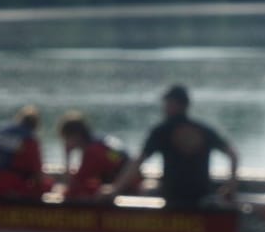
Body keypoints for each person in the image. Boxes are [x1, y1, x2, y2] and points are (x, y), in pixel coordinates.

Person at [105, 84, 239, 210]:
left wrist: (115, 189)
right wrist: (231, 184)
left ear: (176, 104)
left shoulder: (162, 131)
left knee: (146, 188)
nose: (164, 107)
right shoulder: (203, 130)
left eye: (167, 103)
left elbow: (138, 162)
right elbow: (233, 154)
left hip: (173, 198)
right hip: (201, 196)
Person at [0, 104, 47, 199]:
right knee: (47, 185)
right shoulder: (30, 142)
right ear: (36, 126)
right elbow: (38, 174)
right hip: (12, 189)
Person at [56, 112, 130, 201]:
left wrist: (67, 157)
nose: (65, 143)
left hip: (126, 184)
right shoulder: (98, 142)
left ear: (75, 136)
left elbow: (75, 184)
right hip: (124, 179)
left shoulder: (92, 152)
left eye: (66, 139)